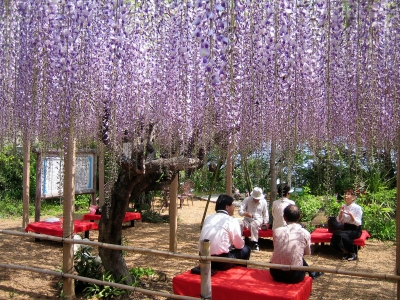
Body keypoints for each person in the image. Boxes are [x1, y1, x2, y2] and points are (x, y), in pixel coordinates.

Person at [270, 205, 324, 283]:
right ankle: (312, 272)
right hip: (294, 277)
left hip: (276, 274)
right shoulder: (305, 233)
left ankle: (312, 272)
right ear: (299, 217)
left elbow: (277, 248)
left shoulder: (276, 231)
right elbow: (307, 253)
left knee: (290, 254)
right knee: (298, 256)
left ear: (284, 217)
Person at [199, 194, 251, 270]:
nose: (234, 208)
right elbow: (239, 245)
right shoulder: (231, 220)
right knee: (246, 249)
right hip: (220, 262)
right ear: (227, 207)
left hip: (203, 258)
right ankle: (239, 273)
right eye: (233, 205)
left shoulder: (208, 218)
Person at [330, 189, 363, 261]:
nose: (346, 196)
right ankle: (346, 252)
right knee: (336, 234)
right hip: (346, 228)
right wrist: (341, 213)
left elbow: (358, 223)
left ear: (353, 197)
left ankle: (353, 253)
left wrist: (352, 217)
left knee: (343, 235)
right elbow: (338, 220)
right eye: (345, 194)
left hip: (355, 229)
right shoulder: (343, 206)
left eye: (348, 194)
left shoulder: (357, 208)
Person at [238, 187, 269, 251]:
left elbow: (265, 214)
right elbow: (240, 211)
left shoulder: (264, 202)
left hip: (258, 220)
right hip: (247, 219)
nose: (256, 200)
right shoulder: (247, 200)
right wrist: (245, 213)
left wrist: (265, 223)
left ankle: (255, 243)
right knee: (240, 224)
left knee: (253, 225)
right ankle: (238, 241)